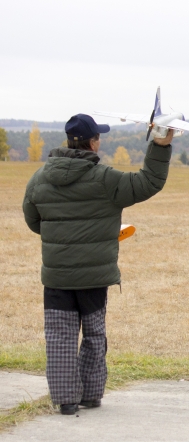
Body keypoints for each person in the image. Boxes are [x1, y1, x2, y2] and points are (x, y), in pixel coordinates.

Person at [22, 114, 173, 415]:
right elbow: (149, 181)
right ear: (93, 142)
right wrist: (160, 144)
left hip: (57, 278)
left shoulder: (39, 178)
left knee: (60, 338)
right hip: (93, 278)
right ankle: (91, 395)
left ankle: (66, 401)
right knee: (93, 335)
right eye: (99, 137)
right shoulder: (105, 179)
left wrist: (62, 237)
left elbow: (33, 219)